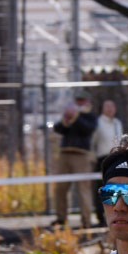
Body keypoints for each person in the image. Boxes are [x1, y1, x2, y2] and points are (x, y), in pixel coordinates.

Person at [51, 95, 99, 228]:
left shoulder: (90, 117)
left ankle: (86, 221)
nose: (79, 103)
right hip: (65, 153)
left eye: (82, 101)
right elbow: (58, 128)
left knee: (83, 188)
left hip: (82, 155)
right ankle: (61, 218)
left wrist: (76, 116)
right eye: (77, 101)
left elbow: (87, 129)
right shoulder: (69, 114)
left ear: (88, 102)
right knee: (60, 188)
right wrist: (66, 118)